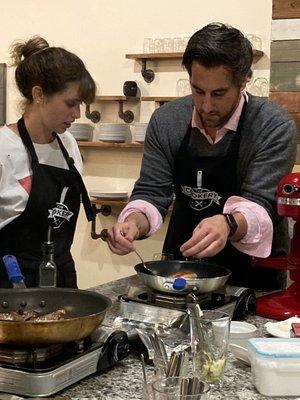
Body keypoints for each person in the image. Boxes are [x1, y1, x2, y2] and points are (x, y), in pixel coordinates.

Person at [106, 23, 297, 290]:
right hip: (182, 271)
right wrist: (132, 224)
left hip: (253, 278)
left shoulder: (272, 126)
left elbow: (260, 204)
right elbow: (152, 191)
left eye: (218, 93)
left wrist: (227, 223)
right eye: (198, 91)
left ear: (243, 81)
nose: (207, 105)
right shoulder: (167, 121)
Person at [0, 36, 95, 288]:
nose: (76, 114)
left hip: (62, 283)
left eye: (80, 105)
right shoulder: (3, 148)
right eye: (71, 103)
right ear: (39, 94)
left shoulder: (68, 144)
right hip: (11, 289)